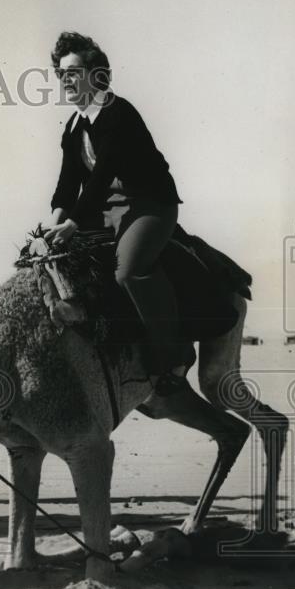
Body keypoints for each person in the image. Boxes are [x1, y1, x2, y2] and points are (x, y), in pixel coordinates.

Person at [43, 31, 186, 395]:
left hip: (149, 206)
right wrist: (53, 223)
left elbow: (103, 172)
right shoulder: (74, 126)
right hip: (105, 211)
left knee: (126, 274)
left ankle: (174, 358)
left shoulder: (117, 112)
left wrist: (73, 222)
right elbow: (67, 181)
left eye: (73, 71)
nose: (66, 81)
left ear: (96, 74)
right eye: (61, 74)